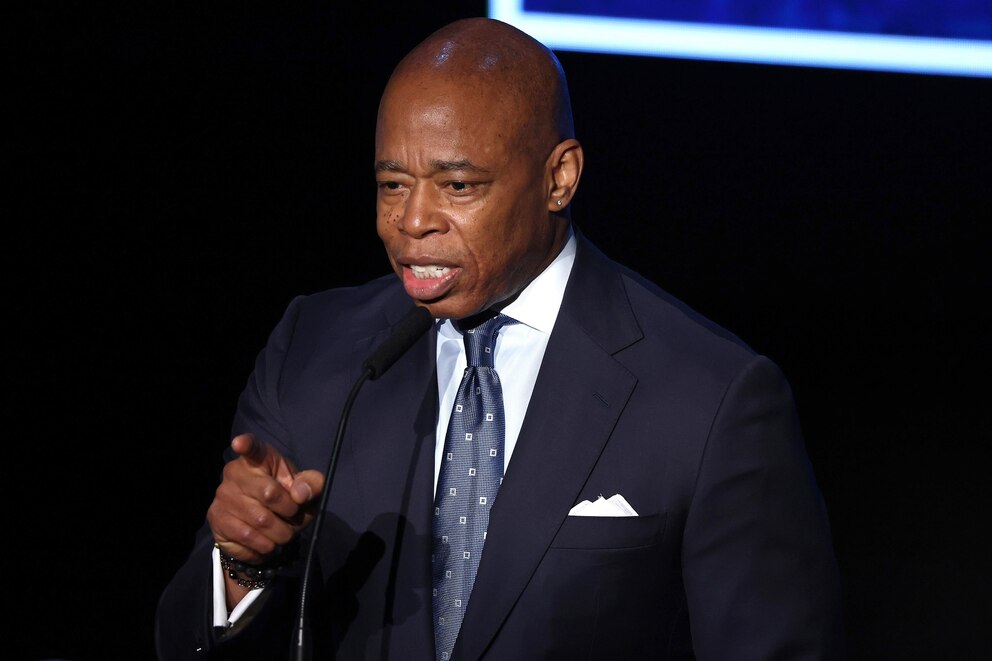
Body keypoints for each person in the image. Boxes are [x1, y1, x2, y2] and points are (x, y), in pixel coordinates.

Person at [156, 16, 845, 661]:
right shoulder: (314, 349)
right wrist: (242, 565)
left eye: (457, 184)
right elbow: (182, 640)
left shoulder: (710, 396)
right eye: (392, 183)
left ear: (558, 177)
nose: (411, 220)